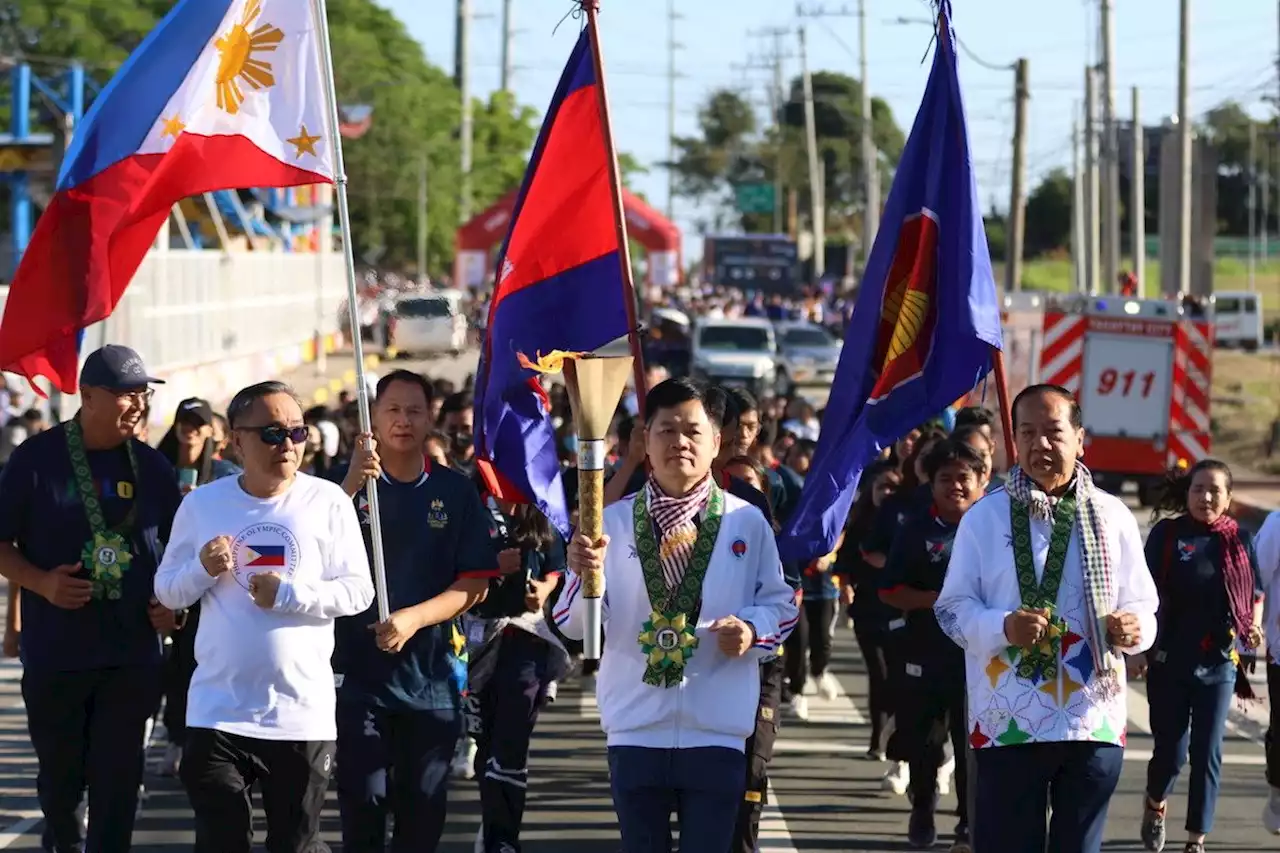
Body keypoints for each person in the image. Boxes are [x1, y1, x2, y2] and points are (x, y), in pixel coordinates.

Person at [556, 377, 798, 853]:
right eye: (666, 430)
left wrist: (752, 629)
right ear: (645, 441)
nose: (679, 442)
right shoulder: (611, 523)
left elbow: (781, 605)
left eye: (692, 431)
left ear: (716, 443)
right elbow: (572, 624)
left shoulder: (744, 520)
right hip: (634, 728)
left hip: (718, 730)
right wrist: (581, 576)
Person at [934, 383, 1160, 853]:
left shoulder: (1112, 515)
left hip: (1091, 718)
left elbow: (1145, 605)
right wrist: (1003, 627)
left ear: (1080, 438)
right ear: (1014, 440)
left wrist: (1136, 629)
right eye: (1028, 432)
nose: (1040, 445)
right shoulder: (984, 518)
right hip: (1006, 720)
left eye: (1054, 432)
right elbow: (952, 612)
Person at [154, 381, 374, 853]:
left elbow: (359, 591)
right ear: (236, 439)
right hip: (218, 711)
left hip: (301, 714)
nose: (288, 445)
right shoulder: (202, 504)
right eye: (273, 433)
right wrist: (201, 570)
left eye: (297, 432)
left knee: (296, 844)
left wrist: (289, 594)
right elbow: (167, 590)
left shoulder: (328, 501)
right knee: (221, 841)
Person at [0, 345, 181, 853]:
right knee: (61, 785)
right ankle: (60, 835)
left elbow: (180, 555)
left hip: (131, 657)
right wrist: (41, 583)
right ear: (89, 396)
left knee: (118, 786)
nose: (139, 405)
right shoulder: (36, 459)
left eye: (144, 394)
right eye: (126, 395)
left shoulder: (153, 468)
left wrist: (176, 606)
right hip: (58, 654)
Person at [334, 370, 499, 852]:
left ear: (431, 419)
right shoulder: (339, 492)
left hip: (432, 680)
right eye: (392, 410)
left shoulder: (455, 490)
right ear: (372, 418)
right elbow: (308, 548)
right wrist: (347, 484)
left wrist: (412, 619)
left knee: (421, 814)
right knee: (362, 805)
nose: (402, 421)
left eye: (414, 411)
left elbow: (474, 586)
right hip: (357, 679)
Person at [1136, 460, 1264, 853]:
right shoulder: (1168, 534)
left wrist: (1252, 627)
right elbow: (1142, 592)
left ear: (1227, 498)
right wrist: (1139, 650)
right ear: (1187, 493)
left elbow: (1253, 593)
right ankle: (1156, 804)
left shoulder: (1238, 538)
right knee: (1171, 753)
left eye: (1215, 490)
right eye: (1198, 489)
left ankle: (1196, 840)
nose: (1206, 497)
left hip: (1219, 662)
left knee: (1208, 752)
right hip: (1169, 660)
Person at [879, 440, 985, 852]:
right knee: (924, 741)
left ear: (981, 482)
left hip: (977, 660)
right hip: (923, 653)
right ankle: (922, 807)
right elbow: (889, 590)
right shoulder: (915, 529)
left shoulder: (995, 533)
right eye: (946, 478)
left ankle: (967, 822)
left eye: (964, 478)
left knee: (971, 746)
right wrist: (936, 601)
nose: (955, 486)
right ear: (932, 483)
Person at [465, 493, 569, 853]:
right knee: (487, 744)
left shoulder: (544, 509)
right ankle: (492, 819)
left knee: (511, 744)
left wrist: (544, 589)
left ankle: (503, 837)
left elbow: (557, 565)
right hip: (476, 640)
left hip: (526, 640)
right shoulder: (471, 504)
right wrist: (491, 565)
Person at [154, 397, 242, 777]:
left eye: (197, 422)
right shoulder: (157, 471)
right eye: (183, 421)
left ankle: (211, 741)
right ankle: (175, 737)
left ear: (211, 431)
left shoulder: (224, 475)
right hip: (168, 584)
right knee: (172, 672)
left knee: (200, 665)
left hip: (213, 590)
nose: (189, 428)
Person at [835, 459, 901, 760]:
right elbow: (845, 561)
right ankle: (878, 737)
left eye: (892, 487)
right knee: (878, 673)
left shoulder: (906, 522)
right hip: (866, 609)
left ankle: (894, 733)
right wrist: (845, 584)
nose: (886, 492)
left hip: (898, 609)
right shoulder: (861, 522)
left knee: (894, 676)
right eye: (881, 486)